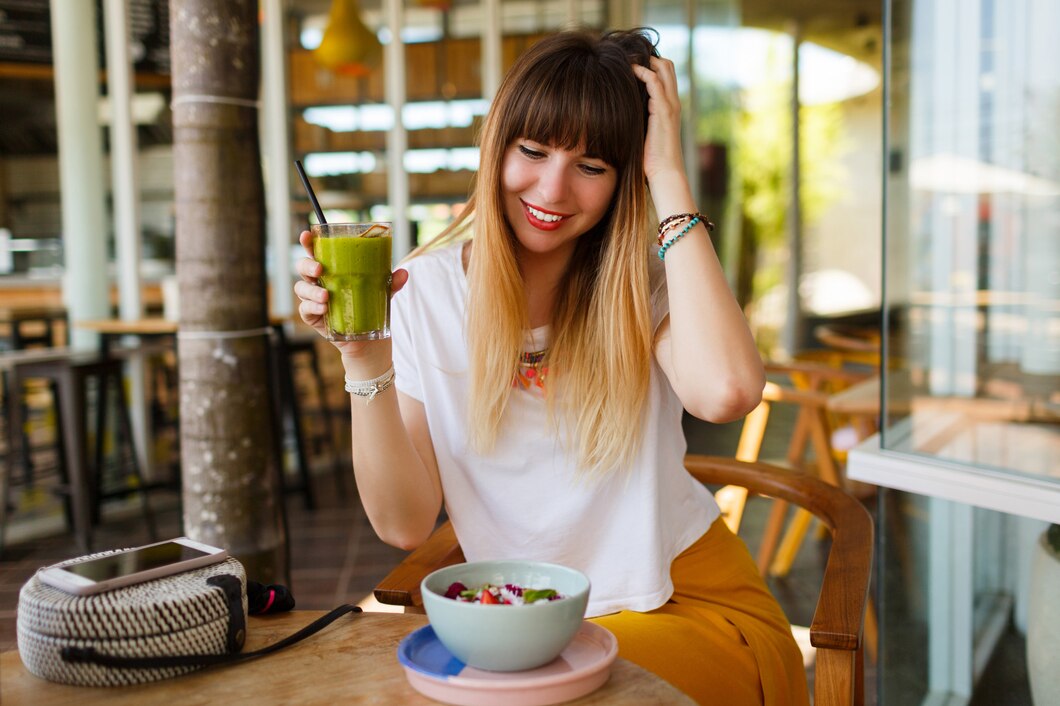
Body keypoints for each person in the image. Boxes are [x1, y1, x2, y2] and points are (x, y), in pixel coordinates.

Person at [295, 28, 808, 706]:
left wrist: (670, 176)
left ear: (625, 177)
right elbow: (403, 523)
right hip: (526, 628)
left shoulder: (643, 288)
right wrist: (362, 352)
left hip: (689, 606)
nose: (553, 188)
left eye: (592, 166)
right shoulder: (423, 291)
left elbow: (729, 392)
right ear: (496, 147)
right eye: (532, 151)